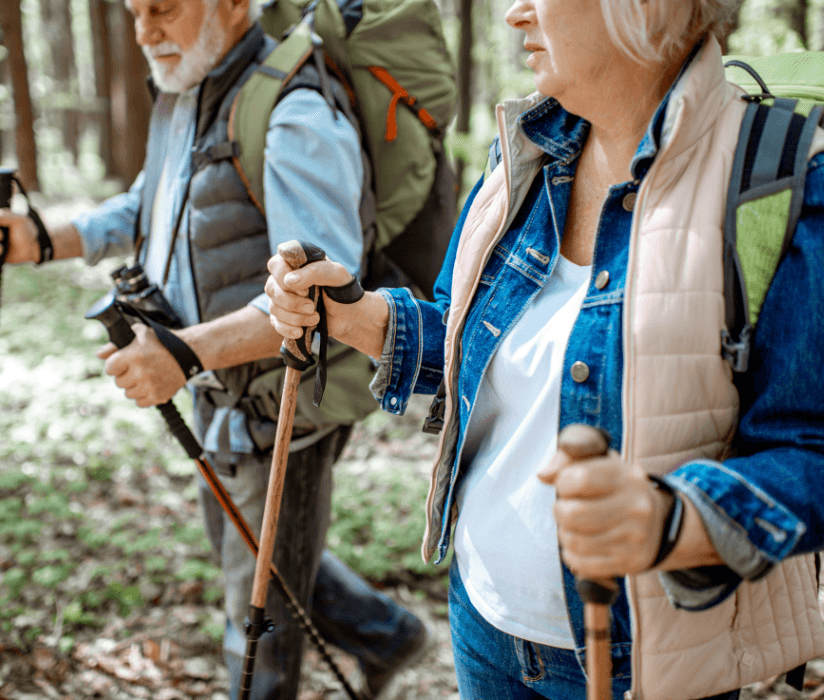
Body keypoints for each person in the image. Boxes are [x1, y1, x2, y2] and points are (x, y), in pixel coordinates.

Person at [264, 0, 824, 698]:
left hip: (636, 659)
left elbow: (811, 451)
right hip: (483, 615)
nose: (514, 15)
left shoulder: (778, 178)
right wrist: (354, 316)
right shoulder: (525, 153)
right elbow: (481, 345)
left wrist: (671, 519)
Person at [0, 0, 429, 697]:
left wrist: (180, 353)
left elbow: (321, 300)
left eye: (165, 9)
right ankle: (387, 634)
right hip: (221, 393)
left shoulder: (296, 111)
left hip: (283, 411)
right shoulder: (192, 90)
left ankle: (377, 638)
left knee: (256, 629)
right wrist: (44, 239)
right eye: (134, 11)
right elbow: (153, 202)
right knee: (251, 552)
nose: (145, 29)